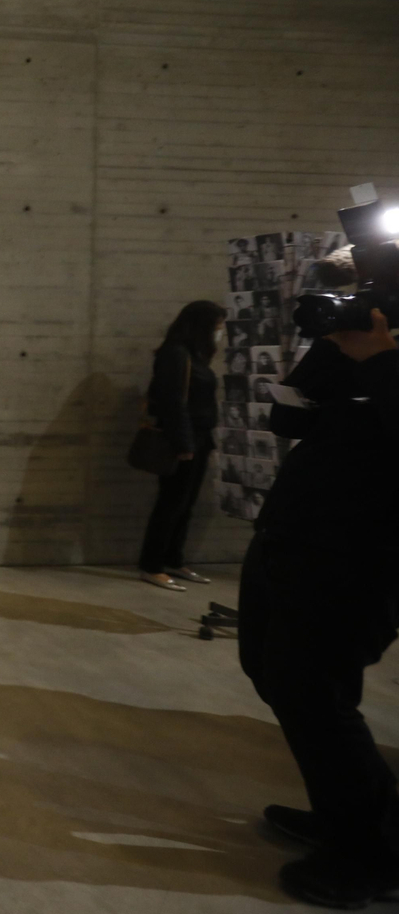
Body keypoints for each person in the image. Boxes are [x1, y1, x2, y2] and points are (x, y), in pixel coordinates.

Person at [236, 306, 399, 907]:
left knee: (314, 693)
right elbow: (289, 417)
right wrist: (335, 344)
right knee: (272, 673)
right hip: (293, 535)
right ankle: (351, 814)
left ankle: (372, 856)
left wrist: (381, 358)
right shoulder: (367, 351)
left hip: (361, 554)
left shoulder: (387, 362)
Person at [136, 300, 225, 591]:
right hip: (182, 439)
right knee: (171, 503)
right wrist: (184, 444)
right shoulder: (175, 355)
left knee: (185, 504)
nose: (219, 332)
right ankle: (151, 565)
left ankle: (174, 560)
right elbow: (173, 403)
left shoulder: (193, 355)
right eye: (216, 326)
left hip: (199, 438)